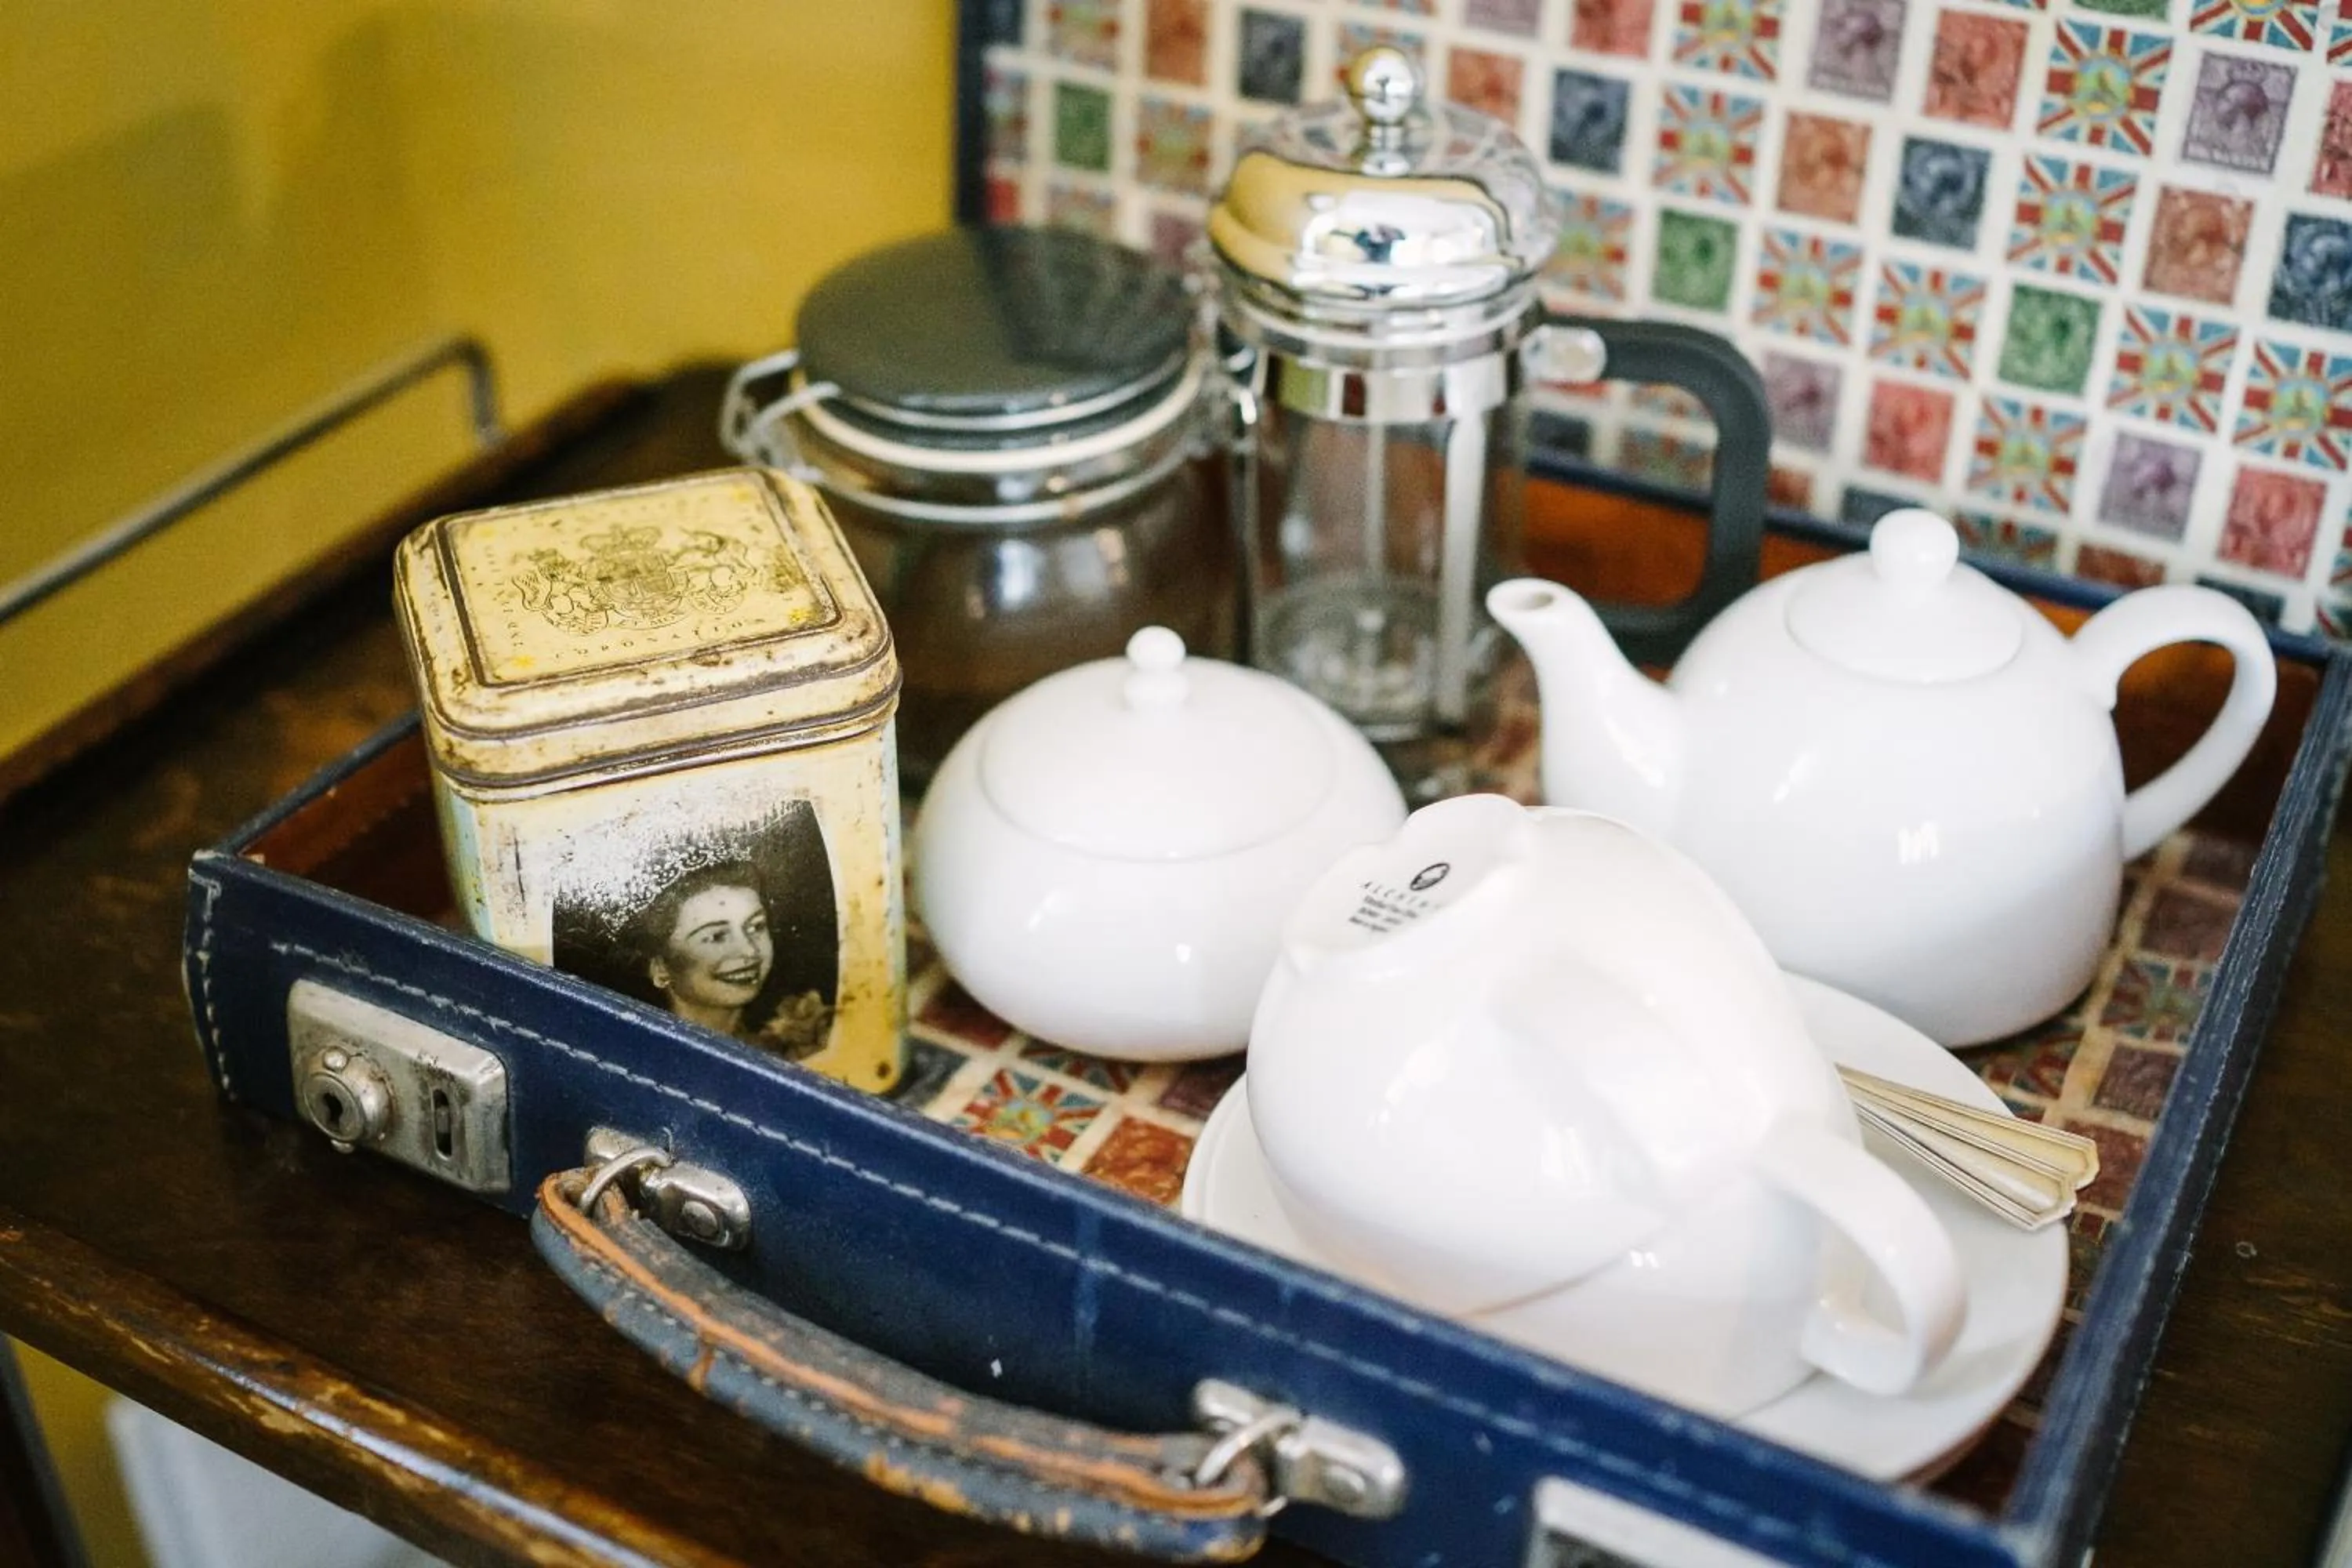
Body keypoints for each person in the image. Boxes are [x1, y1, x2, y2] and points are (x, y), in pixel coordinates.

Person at [626, 860, 832, 1058]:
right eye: (717, 937)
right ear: (661, 969)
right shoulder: (643, 1055)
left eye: (756, 927)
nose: (749, 950)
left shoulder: (788, 1046)